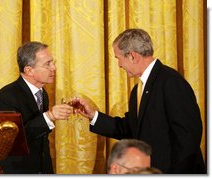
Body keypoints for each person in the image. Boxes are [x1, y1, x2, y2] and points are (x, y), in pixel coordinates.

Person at [73, 28, 206, 174]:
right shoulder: (138, 89)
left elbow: (188, 138)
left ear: (132, 56)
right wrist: (93, 115)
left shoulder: (171, 82)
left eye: (118, 58)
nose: (119, 65)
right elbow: (130, 128)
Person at [0, 41, 73, 174]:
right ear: (29, 70)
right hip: (17, 171)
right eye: (48, 64)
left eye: (53, 62)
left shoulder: (43, 93)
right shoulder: (7, 96)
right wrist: (49, 116)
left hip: (41, 168)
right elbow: (11, 140)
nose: (54, 67)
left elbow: (40, 136)